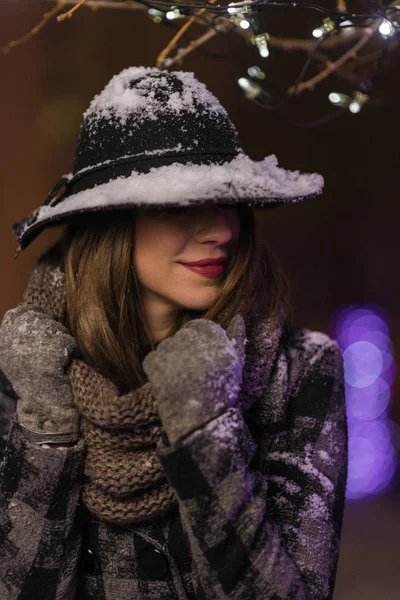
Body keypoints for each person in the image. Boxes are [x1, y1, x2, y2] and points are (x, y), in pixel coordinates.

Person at [0, 66, 348, 600]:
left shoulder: (299, 372)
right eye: (181, 205)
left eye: (227, 200)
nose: (222, 231)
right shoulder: (25, 375)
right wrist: (48, 424)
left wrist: (205, 431)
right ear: (111, 222)